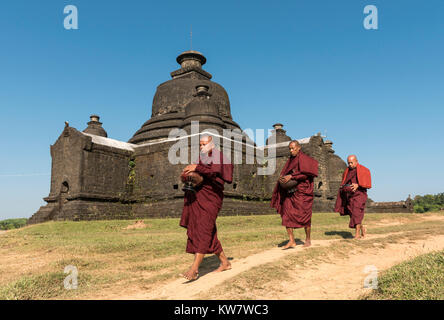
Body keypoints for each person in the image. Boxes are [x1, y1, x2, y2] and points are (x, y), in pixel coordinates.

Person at [179, 135, 233, 281]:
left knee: (204, 230)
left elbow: (214, 172)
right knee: (207, 230)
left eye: (204, 144)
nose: (202, 147)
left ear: (211, 144)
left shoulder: (217, 155)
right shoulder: (202, 157)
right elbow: (199, 173)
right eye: (200, 144)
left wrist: (197, 167)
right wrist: (188, 173)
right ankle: (225, 262)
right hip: (199, 195)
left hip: (211, 198)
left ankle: (194, 269)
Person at [271, 140, 318, 248]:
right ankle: (292, 240)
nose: (291, 151)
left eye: (293, 148)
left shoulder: (304, 159)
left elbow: (306, 174)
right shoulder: (290, 160)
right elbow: (286, 173)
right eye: (290, 149)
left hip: (303, 192)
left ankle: (307, 239)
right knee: (286, 214)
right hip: (291, 192)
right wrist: (283, 178)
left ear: (299, 148)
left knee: (305, 216)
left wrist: (292, 177)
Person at [334, 155, 371, 239]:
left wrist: (358, 185)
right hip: (350, 195)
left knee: (356, 212)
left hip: (359, 194)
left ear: (356, 161)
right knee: (353, 214)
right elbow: (344, 182)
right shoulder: (347, 171)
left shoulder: (363, 170)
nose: (350, 164)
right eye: (348, 163)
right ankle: (362, 228)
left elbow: (366, 182)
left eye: (351, 162)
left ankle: (357, 234)